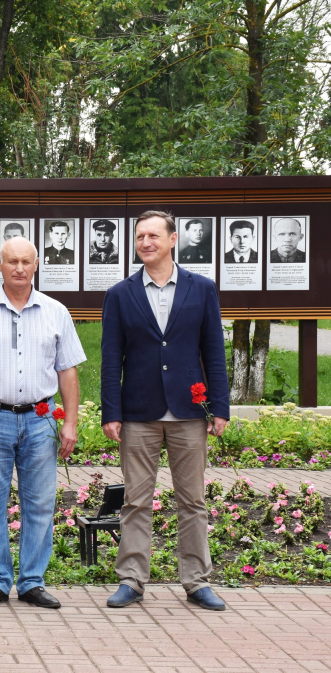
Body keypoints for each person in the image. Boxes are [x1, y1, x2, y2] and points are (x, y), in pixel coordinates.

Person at [101, 210, 229, 611]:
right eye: (140, 236)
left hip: (190, 412)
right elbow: (110, 358)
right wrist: (111, 411)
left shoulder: (201, 289)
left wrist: (219, 406)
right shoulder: (120, 294)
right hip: (139, 412)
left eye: (154, 235)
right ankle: (132, 580)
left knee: (192, 500)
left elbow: (213, 351)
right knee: (136, 500)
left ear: (173, 240)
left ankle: (196, 581)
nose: (146, 242)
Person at [0, 236, 85, 610]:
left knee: (39, 504)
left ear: (36, 264)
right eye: (12, 261)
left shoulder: (56, 312)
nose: (19, 268)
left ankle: (32, 582)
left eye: (26, 261)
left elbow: (68, 371)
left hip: (41, 420)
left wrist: (69, 422)